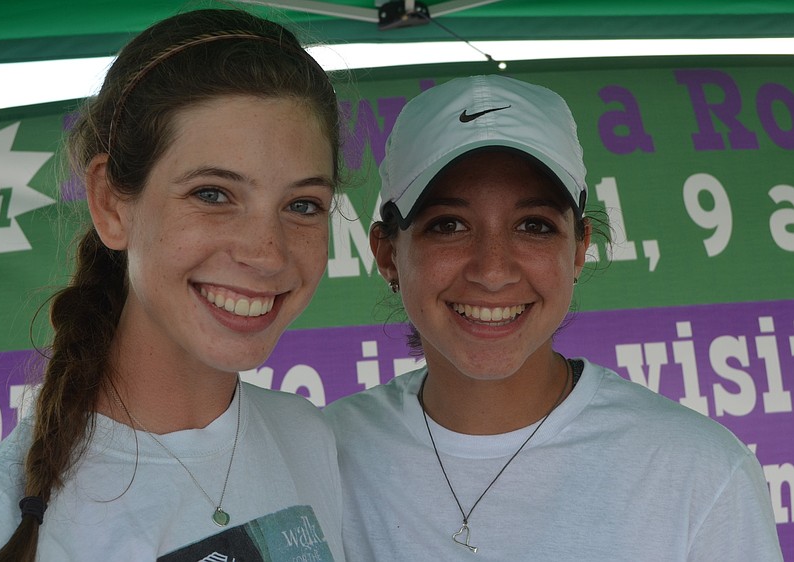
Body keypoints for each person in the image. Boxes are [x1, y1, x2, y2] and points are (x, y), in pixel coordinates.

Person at [324, 75, 783, 561]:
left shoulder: (699, 473)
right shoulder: (323, 457)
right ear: (388, 254)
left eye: (534, 226)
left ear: (579, 249)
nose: (493, 271)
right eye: (449, 225)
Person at [0, 8, 346, 562]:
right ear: (112, 204)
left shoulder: (307, 438)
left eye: (302, 205)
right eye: (212, 194)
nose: (266, 253)